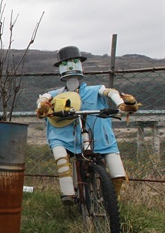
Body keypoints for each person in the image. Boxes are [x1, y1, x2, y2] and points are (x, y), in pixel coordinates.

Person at [35, 46, 139, 205]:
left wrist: (121, 104)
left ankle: (111, 203)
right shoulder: (57, 94)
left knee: (117, 172)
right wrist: (43, 107)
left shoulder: (95, 90)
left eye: (74, 63)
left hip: (98, 135)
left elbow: (110, 92)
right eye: (66, 64)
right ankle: (68, 191)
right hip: (66, 136)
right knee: (60, 155)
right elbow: (43, 100)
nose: (70, 67)